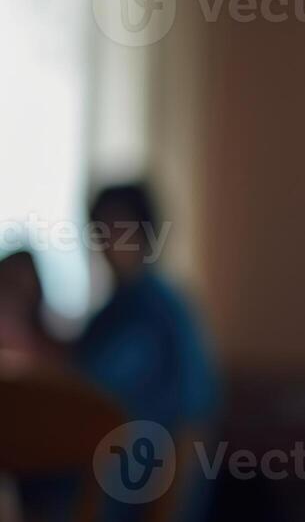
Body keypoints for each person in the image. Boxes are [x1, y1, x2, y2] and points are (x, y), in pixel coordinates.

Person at [75, 183, 219, 432]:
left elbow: (196, 410)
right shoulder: (109, 313)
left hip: (151, 461)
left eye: (118, 229)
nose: (108, 241)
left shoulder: (165, 309)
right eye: (101, 229)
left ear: (145, 233)